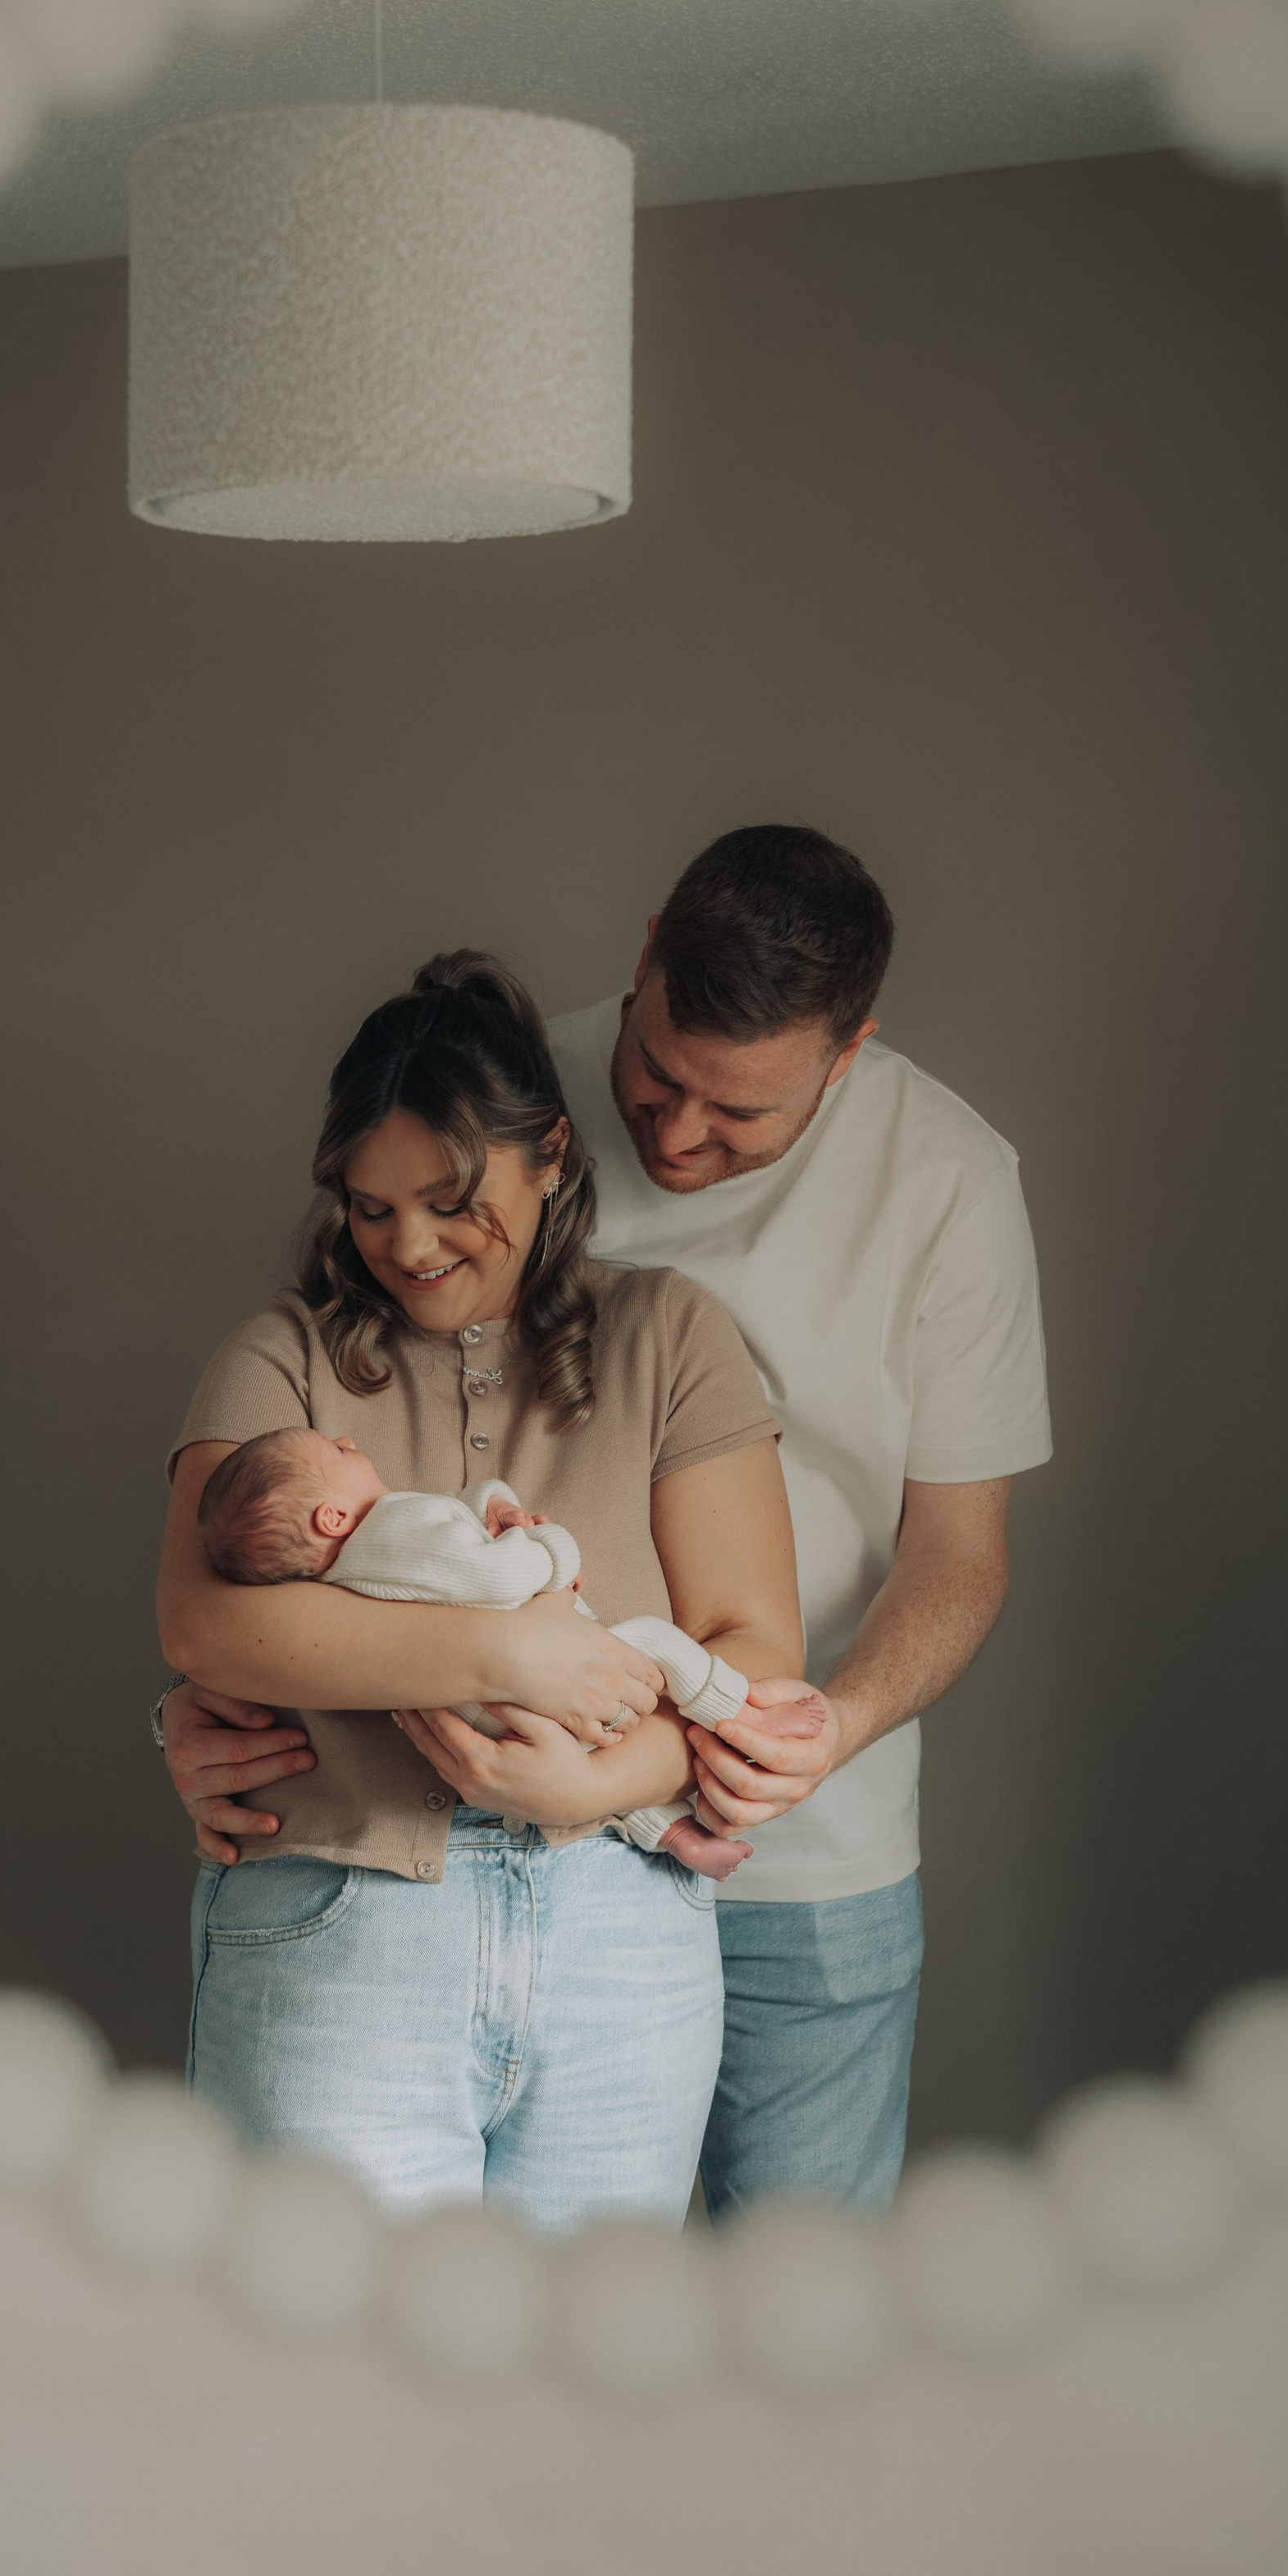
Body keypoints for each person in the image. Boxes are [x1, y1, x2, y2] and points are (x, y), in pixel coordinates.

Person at [164, 828, 1051, 2220]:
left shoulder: (944, 1185)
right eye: (658, 1083)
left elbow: (959, 1555)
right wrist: (228, 1708)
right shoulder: (490, 1084)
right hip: (411, 1873)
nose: (682, 1136)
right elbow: (249, 1557)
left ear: (848, 1051)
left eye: (741, 1115)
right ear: (641, 966)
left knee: (778, 2321)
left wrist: (810, 1730)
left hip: (795, 1829)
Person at [157, 951, 811, 2233]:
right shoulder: (280, 1356)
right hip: (342, 1925)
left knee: (573, 2402)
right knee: (327, 2390)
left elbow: (754, 1645)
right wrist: (515, 1660)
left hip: (624, 1946)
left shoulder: (670, 1338)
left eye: (451, 1199)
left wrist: (594, 1783)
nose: (407, 1245)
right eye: (368, 1205)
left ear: (551, 1156)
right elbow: (207, 1622)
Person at [195, 1429, 778, 1859]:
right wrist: (550, 1547)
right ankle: (741, 1718)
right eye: (337, 1453)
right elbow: (498, 1576)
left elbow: (451, 1531)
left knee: (587, 1769)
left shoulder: (351, 1575)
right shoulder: (392, 1524)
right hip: (556, 1683)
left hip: (495, 1725)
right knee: (655, 1639)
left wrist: (491, 1506)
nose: (348, 1440)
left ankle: (668, 1831)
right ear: (331, 1517)